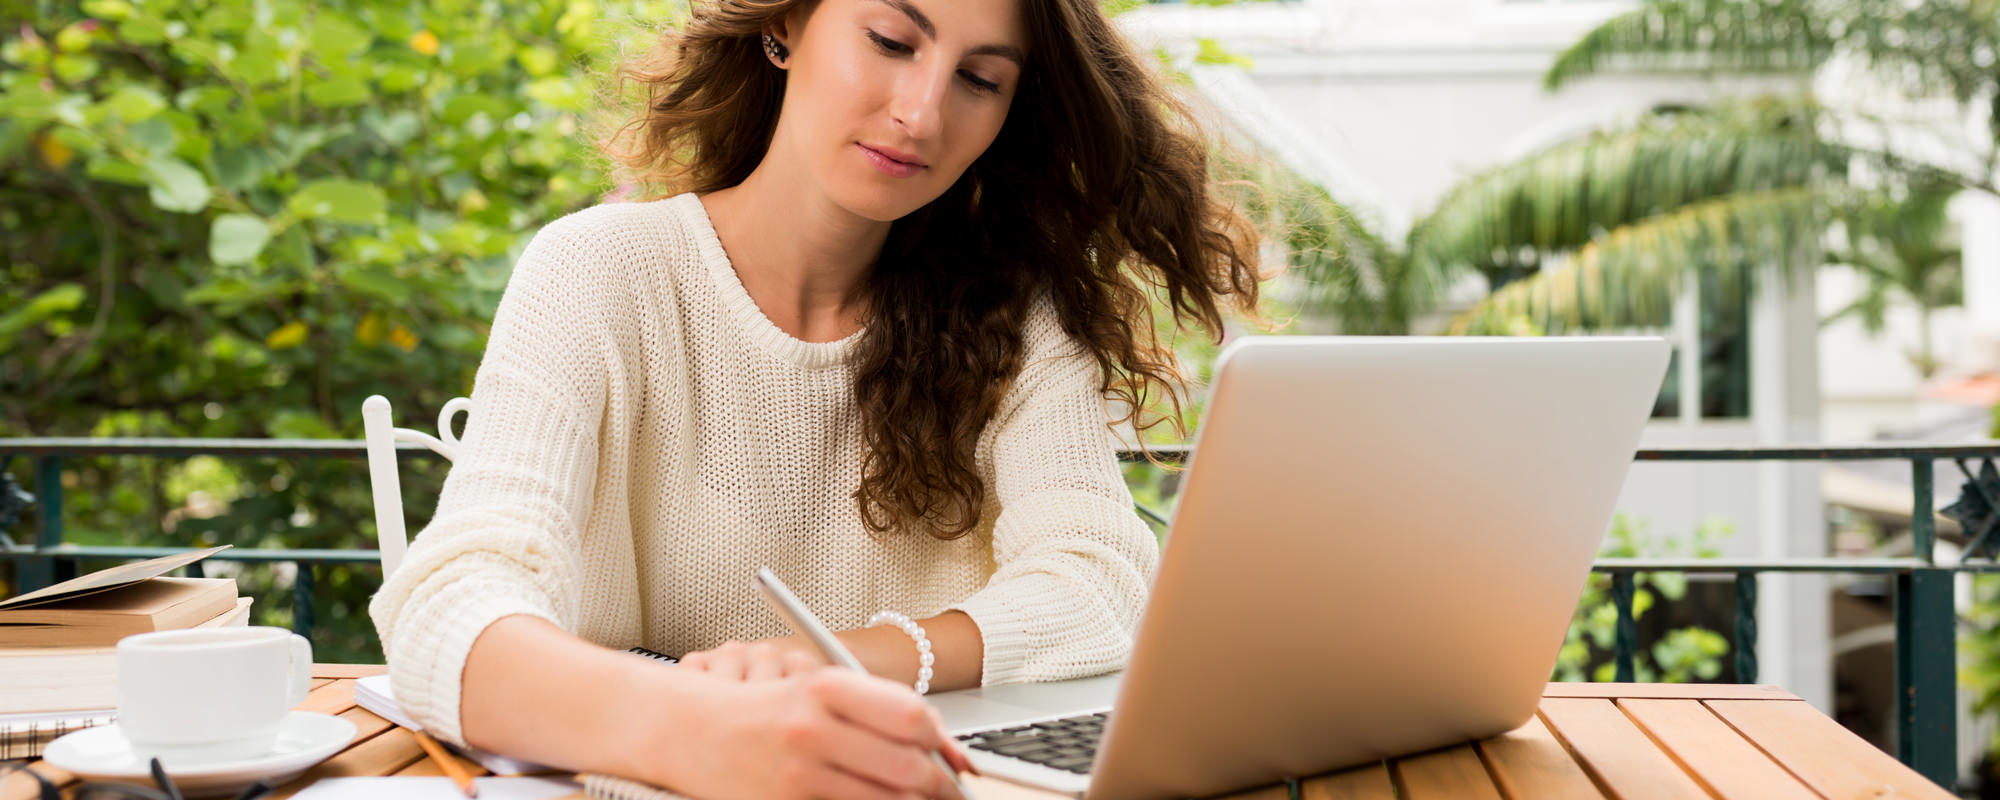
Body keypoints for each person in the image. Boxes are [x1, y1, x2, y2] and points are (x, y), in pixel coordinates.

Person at [367, 0, 1265, 795]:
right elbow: (450, 607)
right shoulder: (601, 274)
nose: (921, 112)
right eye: (889, 39)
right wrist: (701, 728)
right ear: (785, 24)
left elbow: (1099, 583)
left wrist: (830, 667)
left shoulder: (1017, 320)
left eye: (980, 81)